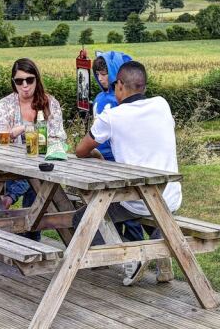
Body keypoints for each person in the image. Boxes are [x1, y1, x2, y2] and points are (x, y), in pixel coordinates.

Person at [75, 60, 179, 285]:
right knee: (159, 215)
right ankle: (161, 260)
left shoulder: (112, 116)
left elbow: (80, 150)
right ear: (143, 86)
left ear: (119, 85)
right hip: (171, 197)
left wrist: (95, 155)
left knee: (80, 218)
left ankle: (132, 256)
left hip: (137, 201)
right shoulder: (162, 104)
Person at [0, 58, 67, 241]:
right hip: (11, 165)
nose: (25, 85)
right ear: (13, 83)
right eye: (19, 81)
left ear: (37, 79)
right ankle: (31, 236)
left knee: (36, 175)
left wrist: (35, 133)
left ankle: (10, 199)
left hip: (43, 162)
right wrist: (17, 131)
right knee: (34, 179)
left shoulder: (50, 103)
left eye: (29, 80)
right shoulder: (6, 104)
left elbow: (59, 137)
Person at [91, 52, 145, 243]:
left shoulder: (123, 101)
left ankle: (135, 247)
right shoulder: (99, 97)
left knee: (128, 210)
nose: (101, 78)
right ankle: (114, 247)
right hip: (100, 159)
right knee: (107, 208)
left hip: (118, 159)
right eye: (97, 74)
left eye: (105, 74)